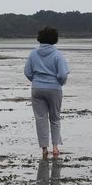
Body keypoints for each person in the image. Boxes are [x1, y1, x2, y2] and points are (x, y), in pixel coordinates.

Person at [24, 27, 69, 158]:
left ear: (40, 38)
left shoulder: (33, 54)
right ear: (55, 39)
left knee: (40, 118)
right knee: (55, 118)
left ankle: (44, 149)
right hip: (54, 88)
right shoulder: (58, 55)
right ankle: (55, 148)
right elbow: (62, 74)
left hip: (37, 88)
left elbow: (27, 72)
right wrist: (60, 82)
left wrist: (36, 80)